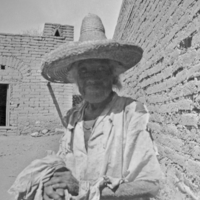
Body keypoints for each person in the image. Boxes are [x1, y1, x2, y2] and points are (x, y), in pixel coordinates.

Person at [12, 13, 163, 200]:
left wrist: (84, 189)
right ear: (76, 79)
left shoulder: (132, 113)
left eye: (100, 69)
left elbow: (150, 185)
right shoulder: (73, 118)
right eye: (84, 70)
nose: (92, 78)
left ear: (113, 76)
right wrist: (57, 181)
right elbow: (64, 157)